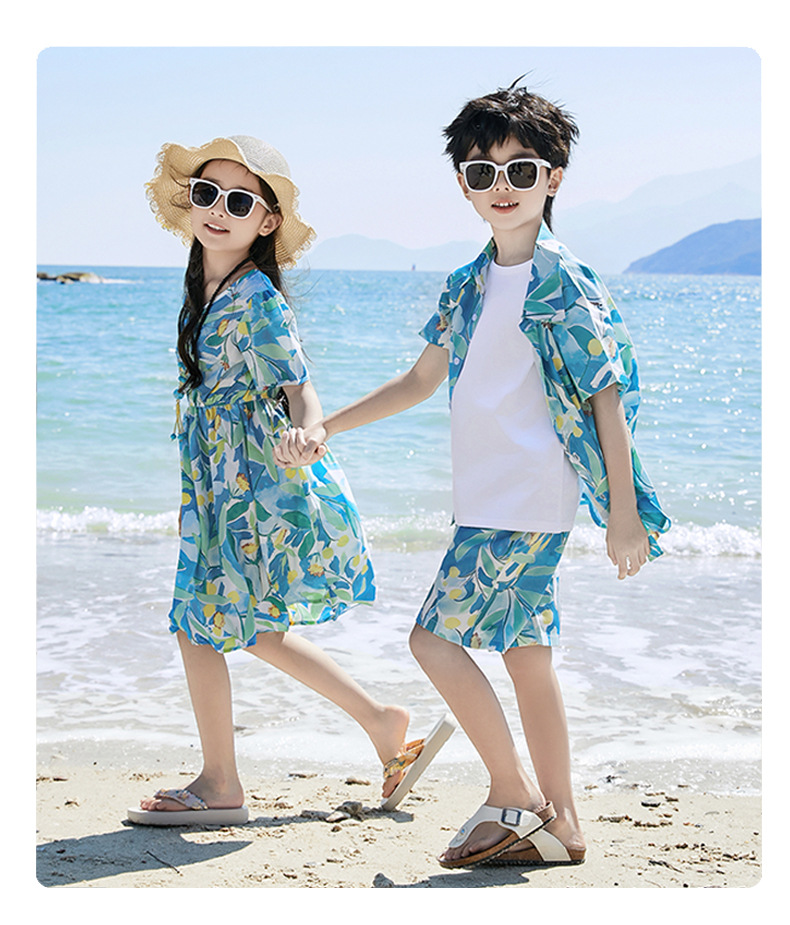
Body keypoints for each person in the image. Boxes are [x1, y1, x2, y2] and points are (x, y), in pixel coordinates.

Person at [274, 83, 670, 867]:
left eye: (521, 170)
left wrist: (624, 511)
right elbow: (419, 380)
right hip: (487, 496)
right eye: (482, 172)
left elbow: (607, 397)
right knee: (526, 655)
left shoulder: (567, 282)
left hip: (527, 498)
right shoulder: (468, 282)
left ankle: (513, 793)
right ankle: (563, 824)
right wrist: (326, 427)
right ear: (463, 183)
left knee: (432, 641)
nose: (502, 187)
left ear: (554, 177)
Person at [128, 135, 453, 827]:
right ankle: (381, 721)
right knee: (247, 626)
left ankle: (222, 783)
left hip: (254, 484)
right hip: (219, 485)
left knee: (201, 623)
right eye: (207, 194)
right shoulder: (204, 287)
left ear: (266, 221)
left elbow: (300, 387)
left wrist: (310, 431)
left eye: (239, 201)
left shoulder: (256, 297)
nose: (219, 210)